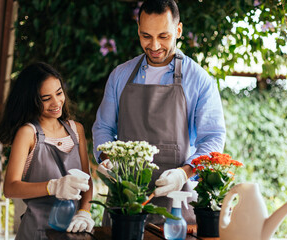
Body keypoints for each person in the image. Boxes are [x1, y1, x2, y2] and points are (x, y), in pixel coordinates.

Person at [93, 0, 226, 225]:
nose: (154, 45)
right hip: (123, 205)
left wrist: (183, 173)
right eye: (146, 36)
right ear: (138, 31)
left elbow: (213, 138)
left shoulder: (199, 80)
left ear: (178, 30)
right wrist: (108, 162)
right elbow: (103, 128)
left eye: (163, 36)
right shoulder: (119, 76)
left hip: (176, 204)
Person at [0, 62, 94, 239]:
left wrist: (84, 211)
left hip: (73, 232)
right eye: (46, 98)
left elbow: (86, 180)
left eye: (59, 93)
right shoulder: (28, 133)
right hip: (37, 233)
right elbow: (10, 188)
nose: (56, 103)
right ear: (31, 100)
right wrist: (53, 186)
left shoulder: (76, 130)